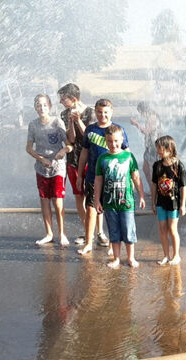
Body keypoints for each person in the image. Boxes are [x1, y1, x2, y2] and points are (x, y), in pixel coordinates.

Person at [77, 98, 130, 255]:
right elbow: (84, 152)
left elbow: (127, 153)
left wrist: (128, 177)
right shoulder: (90, 130)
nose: (102, 115)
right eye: (99, 112)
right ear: (95, 112)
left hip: (114, 180)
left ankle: (115, 245)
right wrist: (80, 174)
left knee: (112, 211)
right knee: (91, 208)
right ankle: (88, 242)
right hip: (93, 177)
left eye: (106, 112)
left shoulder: (118, 130)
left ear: (111, 112)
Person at [94, 125, 146, 268]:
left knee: (129, 231)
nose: (113, 144)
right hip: (110, 203)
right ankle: (116, 258)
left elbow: (136, 177)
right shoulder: (102, 159)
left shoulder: (128, 157)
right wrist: (96, 200)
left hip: (126, 203)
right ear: (105, 141)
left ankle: (130, 258)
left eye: (116, 141)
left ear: (122, 139)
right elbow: (98, 180)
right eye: (109, 141)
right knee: (114, 231)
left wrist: (141, 195)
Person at [57, 83, 102, 246]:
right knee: (79, 195)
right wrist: (71, 122)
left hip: (92, 159)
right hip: (73, 160)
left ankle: (100, 232)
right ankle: (86, 231)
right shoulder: (64, 114)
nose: (61, 102)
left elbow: (89, 136)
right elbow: (71, 139)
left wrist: (78, 120)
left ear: (73, 99)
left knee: (96, 196)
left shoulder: (91, 113)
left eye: (63, 99)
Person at [26, 94, 73, 246]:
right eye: (39, 105)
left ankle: (62, 234)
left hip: (58, 167)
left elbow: (69, 145)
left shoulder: (57, 122)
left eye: (45, 105)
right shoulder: (33, 125)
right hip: (41, 168)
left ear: (50, 106)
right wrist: (41, 159)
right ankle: (49, 234)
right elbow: (28, 148)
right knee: (44, 201)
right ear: (35, 107)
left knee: (57, 202)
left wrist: (62, 151)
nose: (42, 108)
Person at [151, 135, 186, 266]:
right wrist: (153, 202)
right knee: (162, 230)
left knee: (172, 229)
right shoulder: (157, 166)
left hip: (174, 203)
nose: (158, 152)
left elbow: (183, 187)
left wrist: (183, 205)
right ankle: (166, 255)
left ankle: (176, 255)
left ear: (169, 149)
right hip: (161, 203)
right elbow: (154, 184)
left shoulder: (178, 166)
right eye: (157, 149)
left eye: (160, 149)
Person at [130, 102, 162, 195]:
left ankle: (156, 192)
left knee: (153, 171)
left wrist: (136, 124)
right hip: (149, 147)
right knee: (145, 169)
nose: (140, 114)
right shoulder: (150, 116)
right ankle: (154, 191)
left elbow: (146, 131)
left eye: (140, 112)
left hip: (153, 147)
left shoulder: (152, 117)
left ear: (143, 110)